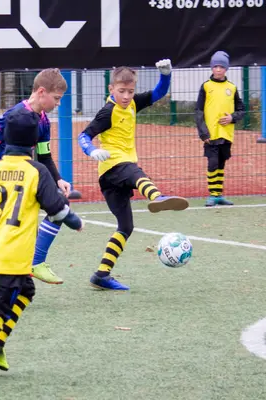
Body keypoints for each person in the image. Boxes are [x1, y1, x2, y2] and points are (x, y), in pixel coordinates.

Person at [0, 107, 84, 384]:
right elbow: (57, 210)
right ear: (34, 143)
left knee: (26, 289)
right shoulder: (36, 171)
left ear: (5, 140)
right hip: (16, 251)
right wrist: (75, 221)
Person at [0, 68, 78, 304]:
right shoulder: (14, 115)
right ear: (41, 92)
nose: (58, 104)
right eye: (56, 99)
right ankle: (34, 263)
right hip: (5, 182)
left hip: (26, 180)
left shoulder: (44, 121)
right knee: (21, 236)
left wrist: (58, 179)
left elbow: (44, 155)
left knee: (45, 218)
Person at [77, 59, 189, 291]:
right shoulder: (107, 112)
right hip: (113, 167)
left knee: (125, 227)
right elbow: (83, 136)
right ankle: (156, 197)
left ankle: (101, 275)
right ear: (111, 89)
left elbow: (158, 93)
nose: (127, 96)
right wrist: (92, 150)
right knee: (134, 170)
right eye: (121, 91)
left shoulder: (133, 104)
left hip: (113, 180)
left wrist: (166, 75)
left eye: (130, 91)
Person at [195, 51, 245, 207]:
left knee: (222, 163)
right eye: (215, 66)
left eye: (221, 67)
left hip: (226, 134)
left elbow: (241, 110)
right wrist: (203, 133)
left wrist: (232, 117)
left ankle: (219, 195)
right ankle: (212, 194)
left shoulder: (232, 88)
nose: (218, 70)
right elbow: (199, 111)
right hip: (211, 134)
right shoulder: (206, 86)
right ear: (211, 68)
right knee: (212, 163)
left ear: (226, 69)